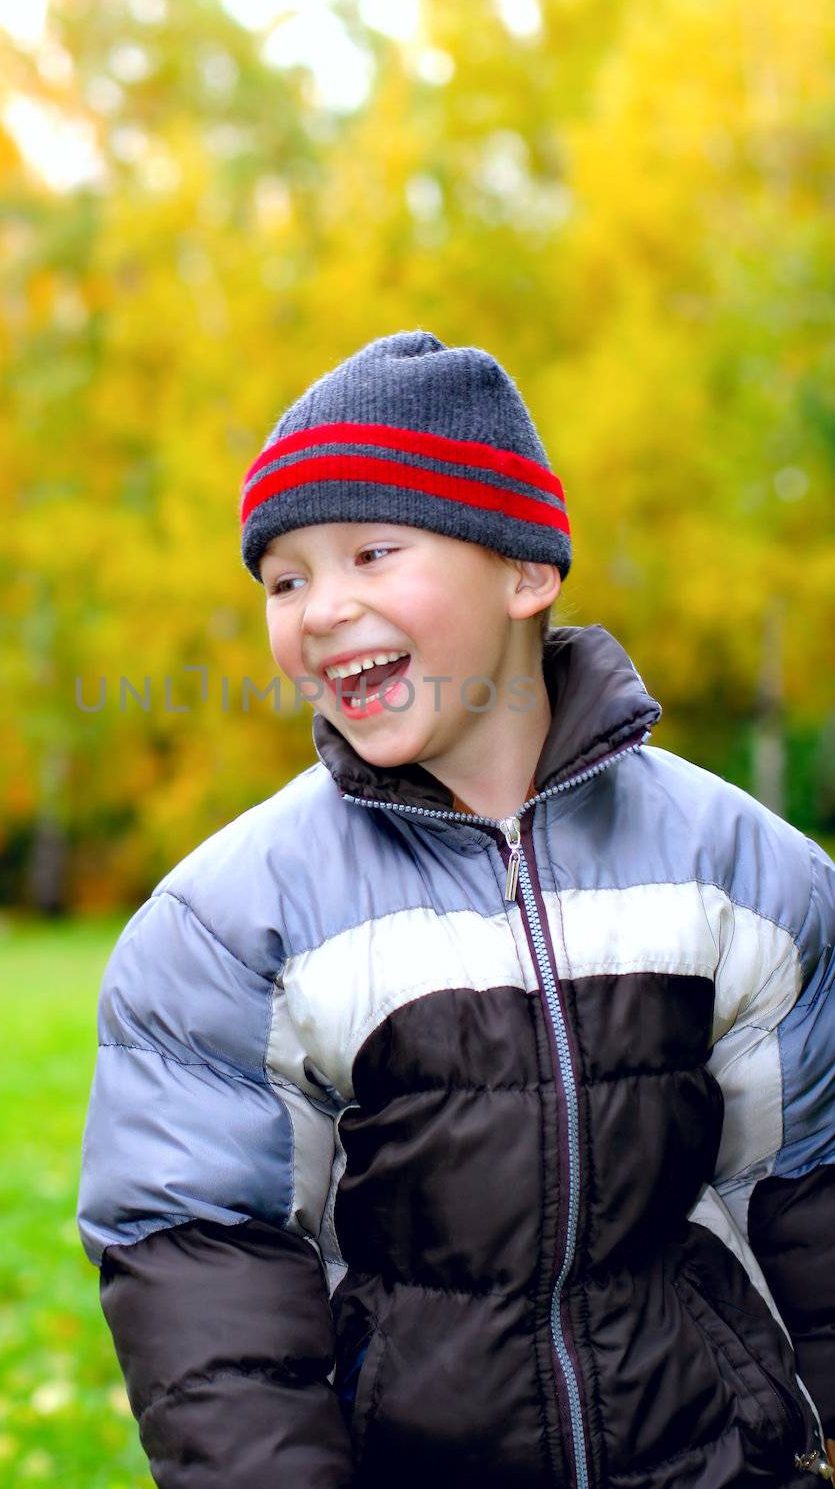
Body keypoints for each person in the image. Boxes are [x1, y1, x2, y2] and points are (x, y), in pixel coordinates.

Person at [76, 330, 835, 1488]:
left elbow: (808, 1190)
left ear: (525, 570)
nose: (320, 609)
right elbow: (203, 1266)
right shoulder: (230, 924)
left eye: (370, 551)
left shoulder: (741, 872)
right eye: (284, 578)